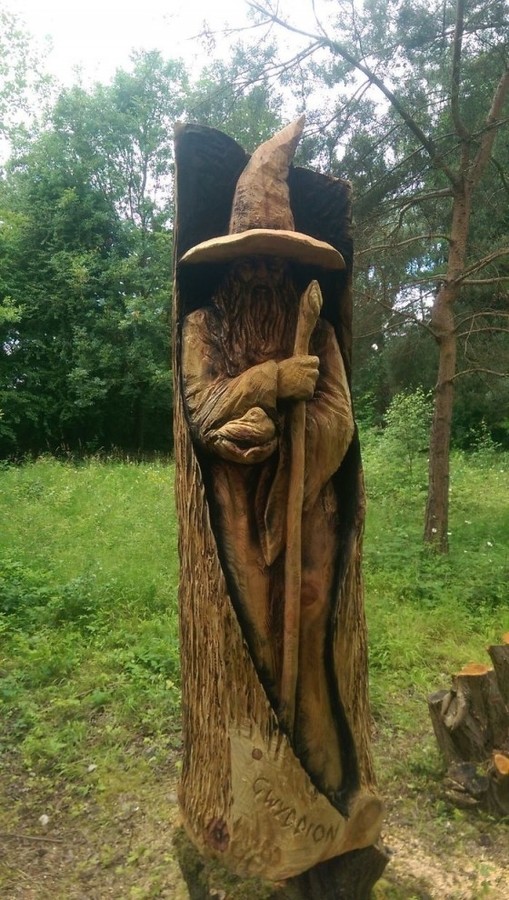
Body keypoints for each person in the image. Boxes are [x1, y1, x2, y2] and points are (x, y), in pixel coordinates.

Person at [181, 251, 355, 801]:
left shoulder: (318, 332)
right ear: (232, 270)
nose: (261, 276)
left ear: (288, 272)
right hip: (233, 510)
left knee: (309, 638)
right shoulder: (204, 326)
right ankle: (253, 788)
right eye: (250, 264)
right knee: (252, 640)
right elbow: (201, 409)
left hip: (308, 502)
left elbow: (339, 417)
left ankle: (322, 784)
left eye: (272, 265)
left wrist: (285, 443)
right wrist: (273, 380)